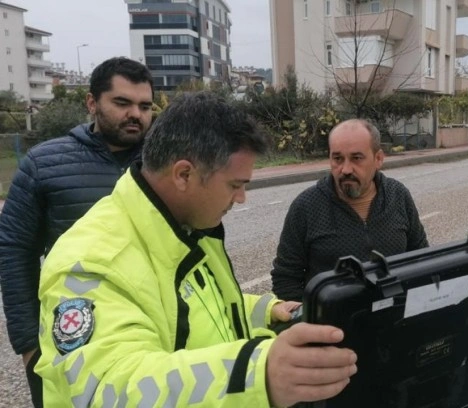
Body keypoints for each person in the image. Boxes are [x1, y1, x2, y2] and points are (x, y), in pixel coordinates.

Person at [35, 91, 357, 406]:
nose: (242, 198)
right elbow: (110, 389)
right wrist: (256, 374)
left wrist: (265, 312)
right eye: (235, 185)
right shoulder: (89, 260)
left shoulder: (187, 227)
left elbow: (196, 307)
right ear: (184, 174)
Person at [0, 56, 154, 407]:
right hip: (73, 338)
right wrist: (28, 345)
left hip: (152, 330)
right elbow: (14, 252)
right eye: (122, 103)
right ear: (91, 103)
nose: (136, 114)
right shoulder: (44, 164)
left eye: (144, 106)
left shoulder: (166, 163)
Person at [271, 119, 429, 301]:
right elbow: (286, 277)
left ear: (378, 159)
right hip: (332, 325)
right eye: (337, 159)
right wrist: (309, 320)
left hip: (393, 317)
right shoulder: (306, 206)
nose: (345, 169)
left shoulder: (398, 196)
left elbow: (421, 257)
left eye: (356, 158)